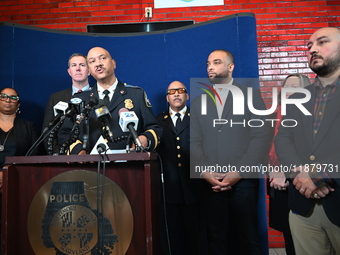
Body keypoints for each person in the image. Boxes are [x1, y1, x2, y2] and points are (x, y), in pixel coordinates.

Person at [190, 49, 271, 254]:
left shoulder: (250, 96)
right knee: (215, 239)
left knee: (248, 238)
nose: (210, 67)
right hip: (211, 182)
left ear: (230, 67)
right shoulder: (200, 102)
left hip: (243, 181)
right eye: (208, 63)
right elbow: (194, 141)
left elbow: (261, 136)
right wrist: (204, 172)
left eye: (216, 63)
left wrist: (239, 172)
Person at [275, 27, 340, 255]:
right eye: (309, 46)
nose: (312, 49)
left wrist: (318, 174)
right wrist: (298, 173)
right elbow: (283, 138)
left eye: (322, 42)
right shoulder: (301, 97)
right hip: (304, 206)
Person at [58, 47, 162, 154]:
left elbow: (155, 128)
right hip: (90, 166)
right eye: (92, 61)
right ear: (89, 70)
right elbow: (65, 133)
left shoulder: (136, 94)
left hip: (129, 164)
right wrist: (78, 150)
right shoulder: (80, 99)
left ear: (113, 63)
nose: (98, 64)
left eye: (102, 58)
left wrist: (144, 139)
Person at [268, 74, 311, 255]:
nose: (290, 91)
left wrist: (286, 173)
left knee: (308, 240)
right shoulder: (271, 115)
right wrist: (272, 170)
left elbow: (309, 153)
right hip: (276, 184)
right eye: (287, 87)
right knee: (288, 234)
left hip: (302, 183)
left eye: (295, 86)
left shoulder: (311, 115)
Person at [156, 81, 201, 255]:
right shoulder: (157, 121)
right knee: (171, 240)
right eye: (172, 91)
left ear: (187, 96)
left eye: (181, 90)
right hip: (168, 191)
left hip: (196, 190)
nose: (176, 94)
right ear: (167, 97)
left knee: (196, 239)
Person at [0, 87, 40, 253]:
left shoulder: (28, 127)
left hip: (17, 184)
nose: (8, 100)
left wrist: (8, 175)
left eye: (13, 97)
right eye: (3, 96)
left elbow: (35, 156)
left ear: (18, 104)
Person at [42, 53, 91, 154]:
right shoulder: (56, 98)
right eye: (74, 65)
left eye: (82, 65)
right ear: (69, 72)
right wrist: (60, 155)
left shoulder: (98, 96)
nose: (78, 69)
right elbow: (48, 131)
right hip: (64, 156)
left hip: (93, 156)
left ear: (89, 71)